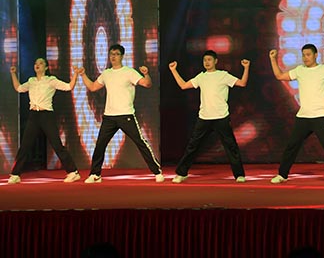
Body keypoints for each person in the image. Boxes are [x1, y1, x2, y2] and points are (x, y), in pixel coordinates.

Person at [269, 44, 324, 185]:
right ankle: (282, 174)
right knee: (292, 146)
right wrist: (273, 59)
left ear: (316, 55)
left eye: (308, 55)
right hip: (303, 116)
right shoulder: (299, 70)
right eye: (303, 55)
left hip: (321, 116)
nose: (305, 58)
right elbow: (280, 76)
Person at [78, 44, 162, 183]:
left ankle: (157, 171)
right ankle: (95, 174)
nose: (113, 57)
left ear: (122, 56)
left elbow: (147, 84)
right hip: (109, 117)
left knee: (140, 142)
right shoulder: (106, 73)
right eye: (112, 54)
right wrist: (82, 74)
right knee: (100, 145)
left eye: (117, 54)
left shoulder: (129, 72)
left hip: (126, 115)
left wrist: (146, 74)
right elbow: (93, 87)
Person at [168, 51, 250, 183]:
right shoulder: (201, 77)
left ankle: (239, 175)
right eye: (205, 60)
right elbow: (183, 85)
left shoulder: (223, 75)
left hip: (221, 116)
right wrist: (173, 70)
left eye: (209, 60)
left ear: (215, 61)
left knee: (231, 146)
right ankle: (182, 173)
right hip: (204, 117)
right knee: (193, 146)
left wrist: (246, 68)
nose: (206, 62)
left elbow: (242, 83)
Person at [6, 58, 80, 184]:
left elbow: (68, 87)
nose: (37, 65)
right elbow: (19, 88)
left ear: (46, 67)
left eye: (40, 63)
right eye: (36, 63)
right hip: (33, 115)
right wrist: (13, 73)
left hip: (46, 115)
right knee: (25, 145)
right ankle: (15, 174)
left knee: (56, 144)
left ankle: (73, 172)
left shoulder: (51, 80)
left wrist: (76, 74)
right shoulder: (31, 81)